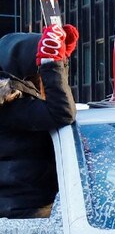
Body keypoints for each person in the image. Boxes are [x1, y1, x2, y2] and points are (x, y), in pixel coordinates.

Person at [0, 25, 79, 219]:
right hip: (23, 215)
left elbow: (58, 103)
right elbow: (62, 113)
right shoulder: (10, 103)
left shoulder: (20, 99)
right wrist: (52, 64)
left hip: (23, 211)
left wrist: (59, 63)